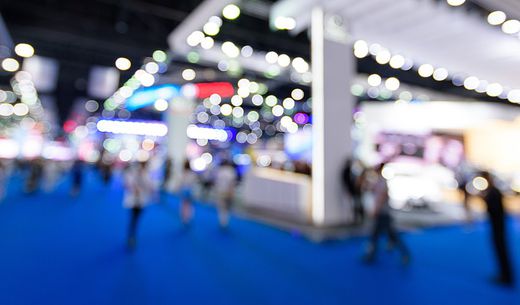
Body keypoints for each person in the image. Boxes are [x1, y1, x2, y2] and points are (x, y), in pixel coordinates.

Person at [363, 163, 410, 265]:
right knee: (386, 235)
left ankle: (371, 255)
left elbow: (382, 197)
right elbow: (373, 191)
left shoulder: (382, 182)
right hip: (384, 213)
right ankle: (404, 254)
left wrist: (376, 210)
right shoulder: (379, 181)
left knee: (380, 235)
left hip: (383, 214)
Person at [479, 171, 514, 286]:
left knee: (501, 251)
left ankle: (506, 277)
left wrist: (485, 200)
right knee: (501, 251)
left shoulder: (493, 192)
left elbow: (494, 210)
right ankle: (505, 275)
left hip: (498, 227)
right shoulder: (493, 191)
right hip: (498, 226)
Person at [123, 161, 153, 249]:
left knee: (135, 218)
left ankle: (132, 235)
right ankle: (131, 236)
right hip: (133, 201)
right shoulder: (131, 174)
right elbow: (126, 185)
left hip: (141, 200)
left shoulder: (145, 175)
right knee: (134, 218)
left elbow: (149, 187)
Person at [214, 160, 237, 229]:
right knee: (227, 208)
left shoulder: (219, 171)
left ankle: (222, 221)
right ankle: (225, 222)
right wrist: (232, 193)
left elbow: (216, 182)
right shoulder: (231, 171)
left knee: (221, 207)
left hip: (220, 191)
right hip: (228, 192)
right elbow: (232, 183)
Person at [342, 158, 365, 225]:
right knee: (356, 204)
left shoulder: (353, 171)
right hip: (354, 191)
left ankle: (358, 218)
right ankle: (357, 218)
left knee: (357, 204)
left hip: (356, 191)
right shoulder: (349, 171)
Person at [179, 160, 197, 227]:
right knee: (189, 205)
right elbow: (193, 183)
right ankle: (188, 217)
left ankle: (184, 218)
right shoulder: (192, 174)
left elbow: (180, 183)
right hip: (189, 191)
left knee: (183, 205)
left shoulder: (183, 173)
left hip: (184, 190)